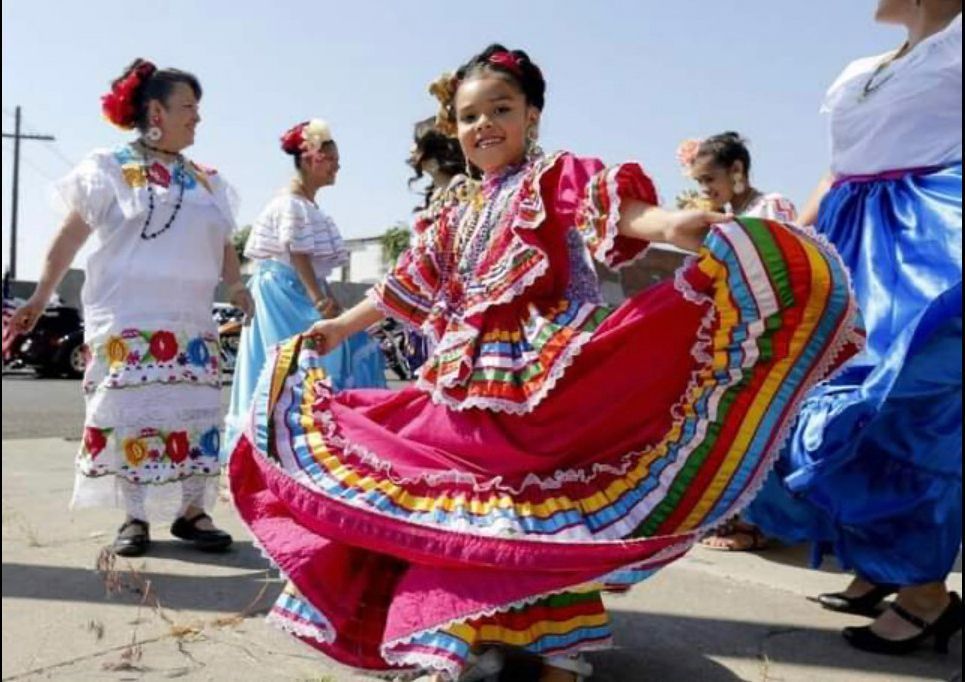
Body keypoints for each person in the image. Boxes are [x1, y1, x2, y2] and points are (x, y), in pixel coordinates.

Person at [228, 44, 859, 681]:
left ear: (532, 114)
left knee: (527, 511)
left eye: (501, 108)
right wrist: (337, 325)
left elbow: (620, 213)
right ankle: (468, 640)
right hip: (460, 384)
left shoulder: (554, 176)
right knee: (462, 509)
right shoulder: (456, 210)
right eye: (470, 117)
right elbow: (405, 285)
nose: (485, 126)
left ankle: (547, 650)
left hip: (545, 381)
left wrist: (674, 225)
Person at [746, 1, 962, 655]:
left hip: (922, 241)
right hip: (849, 237)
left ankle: (924, 594)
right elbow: (838, 168)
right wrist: (795, 248)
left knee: (886, 408)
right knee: (790, 399)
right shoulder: (861, 69)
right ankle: (882, 568)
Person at [8, 58, 253, 557]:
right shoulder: (110, 168)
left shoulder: (208, 181)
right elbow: (69, 237)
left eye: (198, 109)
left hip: (191, 321)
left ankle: (192, 512)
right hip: (129, 318)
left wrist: (236, 285)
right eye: (188, 107)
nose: (197, 119)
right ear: (155, 110)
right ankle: (135, 515)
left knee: (192, 415)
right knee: (133, 414)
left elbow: (224, 242)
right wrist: (39, 295)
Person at [223, 119, 385, 460]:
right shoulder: (291, 204)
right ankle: (285, 447)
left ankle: (307, 446)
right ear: (312, 159)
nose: (337, 165)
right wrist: (319, 299)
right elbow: (296, 253)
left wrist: (327, 296)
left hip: (291, 290)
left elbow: (305, 257)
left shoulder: (305, 205)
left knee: (325, 356)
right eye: (332, 157)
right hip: (284, 295)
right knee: (301, 364)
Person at [676, 132, 798, 552]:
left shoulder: (772, 207)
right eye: (700, 183)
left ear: (738, 171)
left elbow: (780, 269)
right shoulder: (723, 216)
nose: (706, 190)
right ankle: (731, 515)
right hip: (733, 333)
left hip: (771, 335)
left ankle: (761, 522)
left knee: (762, 424)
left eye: (710, 179)